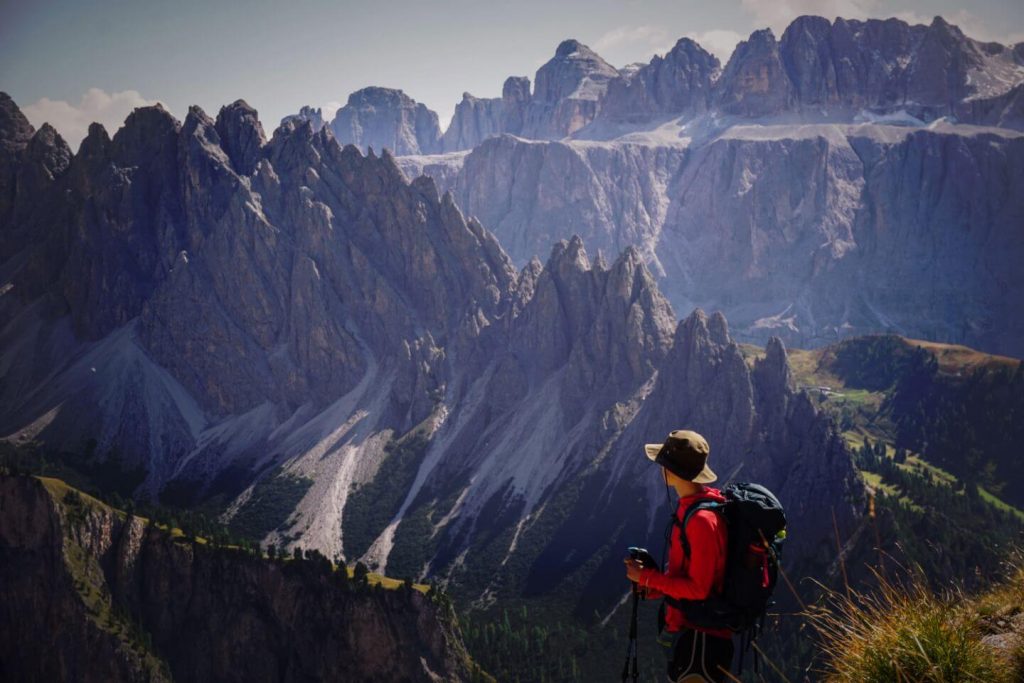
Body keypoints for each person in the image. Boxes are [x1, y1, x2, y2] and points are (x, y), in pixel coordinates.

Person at [624, 429, 734, 683]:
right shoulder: (693, 508)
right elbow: (690, 576)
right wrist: (651, 585)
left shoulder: (701, 521)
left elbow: (699, 589)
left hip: (701, 640)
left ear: (670, 472)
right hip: (691, 634)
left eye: (662, 464)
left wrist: (649, 578)